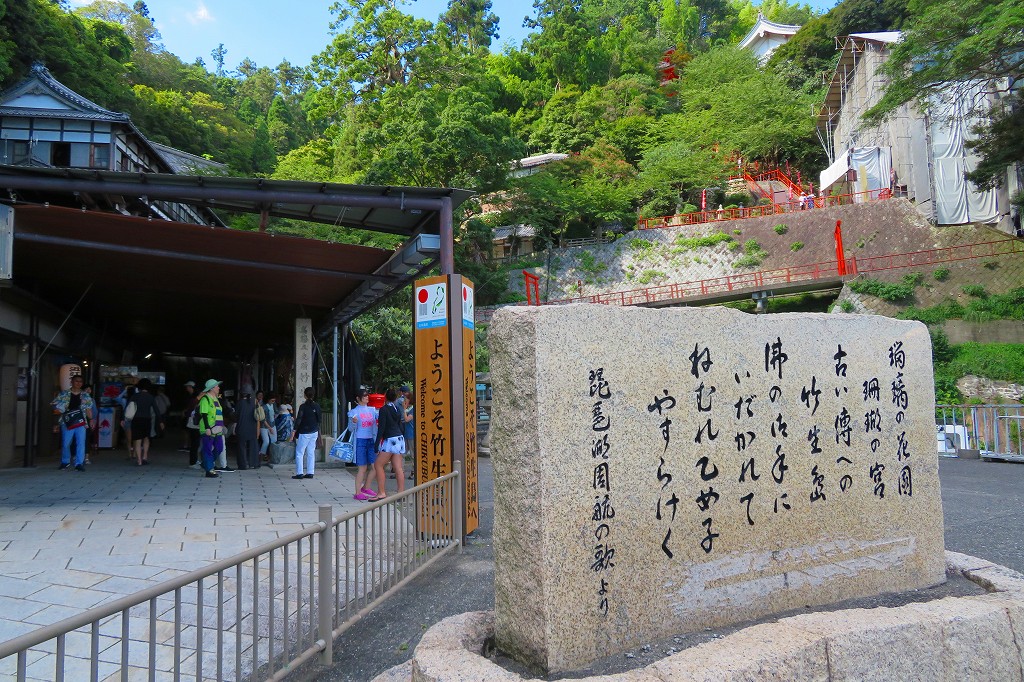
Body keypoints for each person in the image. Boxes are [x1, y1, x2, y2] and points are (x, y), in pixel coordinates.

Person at [52, 374, 95, 472]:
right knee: (66, 442)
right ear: (71, 382)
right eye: (76, 381)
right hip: (67, 421)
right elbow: (54, 405)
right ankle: (65, 461)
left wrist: (91, 419)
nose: (78, 383)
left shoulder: (85, 395)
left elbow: (88, 409)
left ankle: (79, 463)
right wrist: (58, 410)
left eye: (80, 381)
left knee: (81, 442)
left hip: (81, 420)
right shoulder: (64, 394)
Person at [372, 387, 406, 500]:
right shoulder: (397, 408)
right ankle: (400, 492)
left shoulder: (384, 409)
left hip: (390, 439)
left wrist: (376, 444)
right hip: (399, 438)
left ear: (385, 396)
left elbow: (381, 428)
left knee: (378, 464)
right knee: (398, 467)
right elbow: (400, 424)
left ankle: (381, 492)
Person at [348, 389, 379, 500]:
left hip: (371, 440)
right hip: (360, 440)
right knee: (362, 468)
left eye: (367, 396)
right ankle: (357, 492)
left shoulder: (372, 410)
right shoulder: (354, 412)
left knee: (375, 466)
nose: (367, 397)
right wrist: (353, 422)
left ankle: (366, 487)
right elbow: (350, 429)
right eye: (365, 396)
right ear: (359, 398)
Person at [127, 378, 161, 466]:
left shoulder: (135, 396)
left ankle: (139, 460)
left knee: (137, 440)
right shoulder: (151, 397)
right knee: (146, 438)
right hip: (147, 419)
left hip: (136, 419)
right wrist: (160, 421)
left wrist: (124, 419)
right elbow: (157, 410)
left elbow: (129, 407)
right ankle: (145, 457)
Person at [290, 387, 321, 479]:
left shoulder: (303, 406)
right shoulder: (317, 406)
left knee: (300, 452)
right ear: (313, 395)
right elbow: (319, 419)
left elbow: (299, 419)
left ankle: (300, 473)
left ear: (305, 395)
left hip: (304, 432)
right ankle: (310, 472)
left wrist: (294, 430)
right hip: (314, 431)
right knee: (311, 451)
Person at [197, 379, 225, 478]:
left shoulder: (216, 398)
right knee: (208, 449)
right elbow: (204, 415)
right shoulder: (205, 399)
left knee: (219, 448)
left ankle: (206, 463)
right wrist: (207, 428)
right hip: (207, 428)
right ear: (212, 388)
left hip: (217, 429)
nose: (218, 387)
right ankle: (209, 470)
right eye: (217, 386)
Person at [235, 390, 259, 470]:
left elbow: (236, 415)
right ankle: (254, 463)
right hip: (252, 427)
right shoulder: (254, 402)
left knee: (241, 447)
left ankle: (243, 465)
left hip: (241, 427)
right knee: (253, 446)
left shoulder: (239, 403)